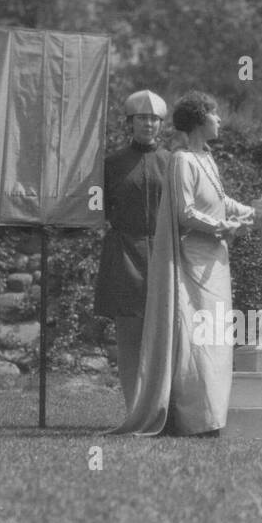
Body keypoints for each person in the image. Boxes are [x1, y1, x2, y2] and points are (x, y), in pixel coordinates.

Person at [112, 91, 262, 437]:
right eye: (214, 115)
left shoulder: (207, 159)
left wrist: (252, 211)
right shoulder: (182, 160)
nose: (219, 120)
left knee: (215, 339)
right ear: (199, 120)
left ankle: (211, 417)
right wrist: (222, 227)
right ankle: (192, 419)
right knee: (198, 341)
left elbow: (219, 200)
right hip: (194, 261)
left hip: (216, 261)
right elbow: (186, 213)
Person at [93, 90, 172, 410]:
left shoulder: (173, 162)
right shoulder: (111, 164)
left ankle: (160, 408)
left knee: (163, 336)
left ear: (161, 124)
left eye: (154, 118)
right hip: (124, 251)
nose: (148, 124)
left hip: (164, 253)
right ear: (130, 122)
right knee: (128, 335)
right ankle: (133, 408)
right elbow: (95, 207)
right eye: (142, 118)